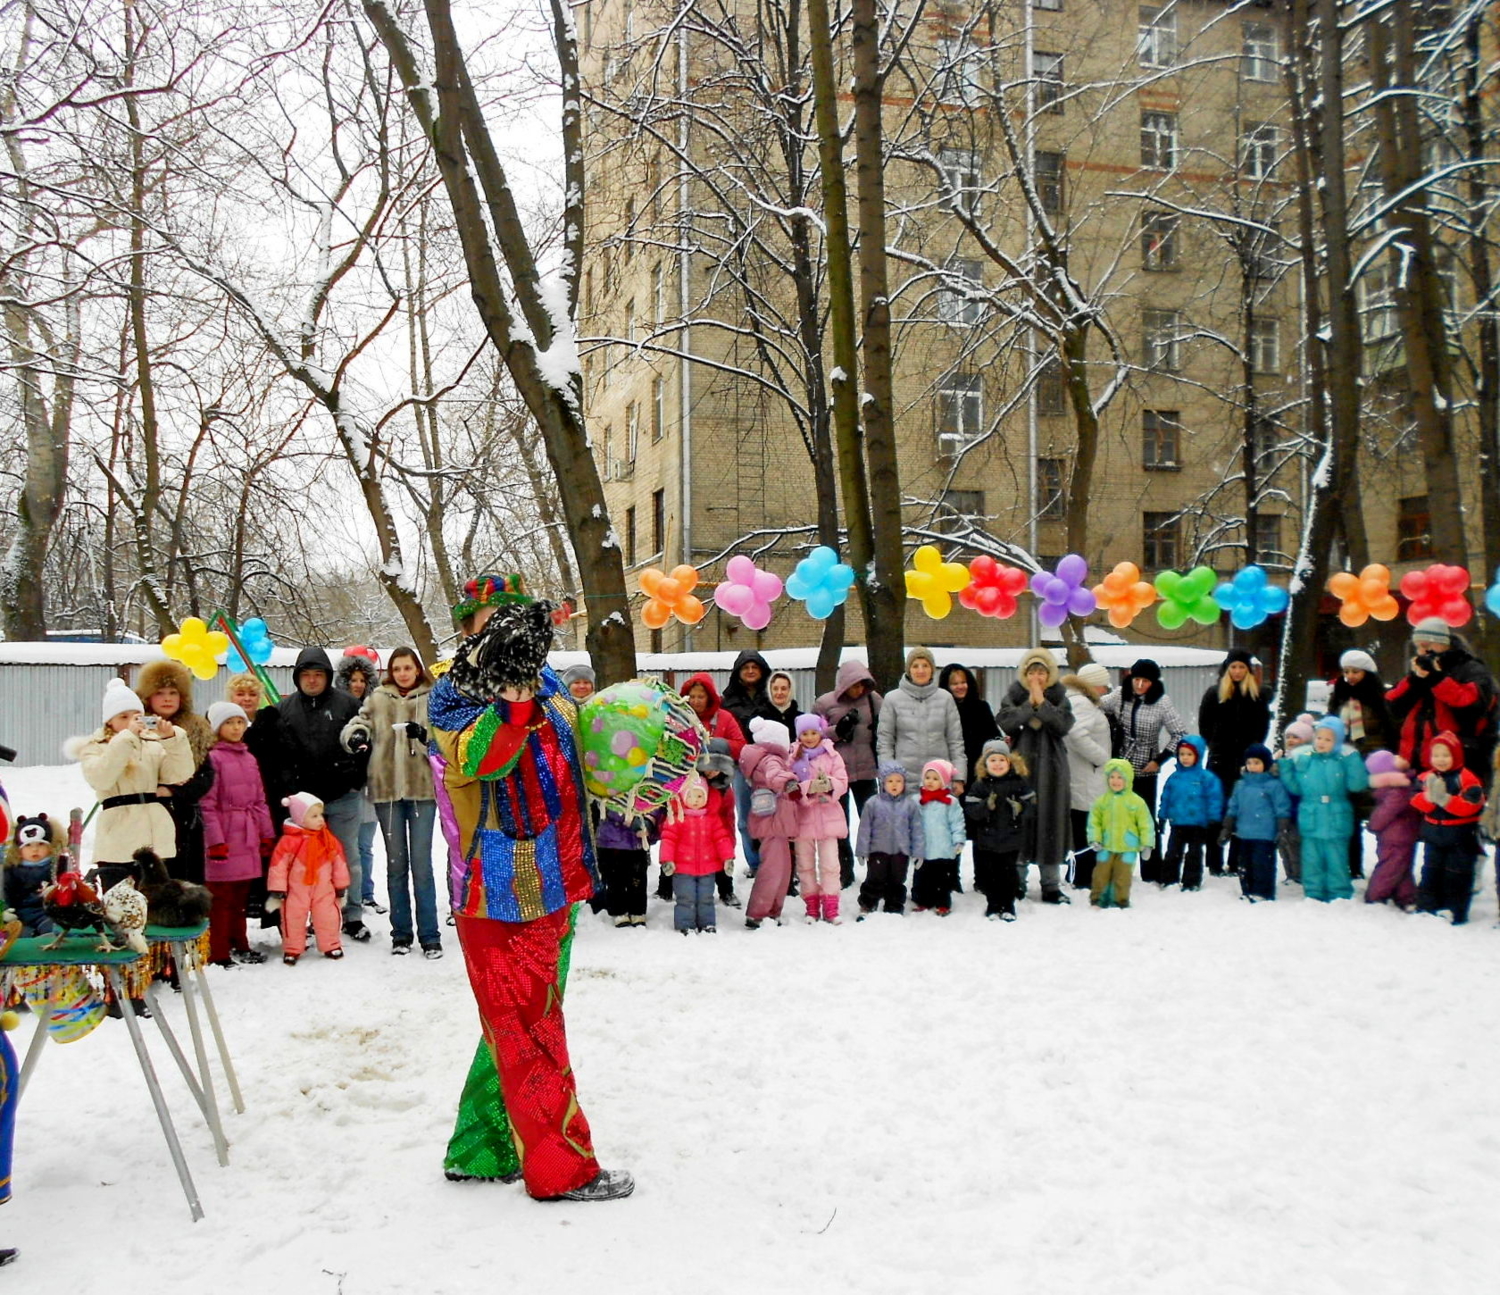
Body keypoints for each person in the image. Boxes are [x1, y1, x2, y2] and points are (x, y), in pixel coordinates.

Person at [429, 585, 630, 1202]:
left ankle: (482, 1148)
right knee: (530, 1030)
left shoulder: (548, 682)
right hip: (498, 892)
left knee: (511, 1027)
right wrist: (512, 702)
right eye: (489, 623)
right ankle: (561, 1170)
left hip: (557, 883)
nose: (504, 633)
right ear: (469, 629)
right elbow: (478, 761)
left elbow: (578, 759)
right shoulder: (453, 694)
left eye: (515, 622)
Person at [341, 647, 441, 957]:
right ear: (390, 672)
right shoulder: (378, 699)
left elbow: (445, 740)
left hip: (422, 791)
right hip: (387, 793)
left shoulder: (432, 698)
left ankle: (430, 936)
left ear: (416, 669)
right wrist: (357, 737)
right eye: (396, 669)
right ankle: (401, 935)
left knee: (422, 865)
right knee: (396, 865)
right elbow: (355, 725)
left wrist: (424, 735)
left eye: (407, 668)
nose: (402, 674)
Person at [272, 647, 372, 943]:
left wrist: (356, 778)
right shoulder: (285, 710)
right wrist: (291, 788)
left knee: (348, 856)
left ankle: (353, 915)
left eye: (318, 675)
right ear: (297, 677)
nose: (312, 681)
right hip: (304, 803)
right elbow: (280, 756)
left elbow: (367, 742)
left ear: (327, 677)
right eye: (306, 675)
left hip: (342, 796)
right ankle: (312, 915)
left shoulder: (348, 705)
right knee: (306, 863)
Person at [69, 677, 193, 892]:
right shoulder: (95, 747)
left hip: (155, 829)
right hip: (118, 829)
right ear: (109, 721)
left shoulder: (152, 743)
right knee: (120, 901)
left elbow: (179, 774)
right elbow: (101, 778)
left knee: (158, 899)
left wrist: (172, 739)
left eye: (136, 716)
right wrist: (126, 739)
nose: (131, 721)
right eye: (123, 717)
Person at [995, 647, 1075, 904]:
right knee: (1020, 819)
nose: (1037, 676)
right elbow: (1007, 722)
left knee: (1050, 823)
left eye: (1042, 671)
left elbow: (1063, 724)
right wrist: (1030, 704)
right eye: (1032, 671)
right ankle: (1016, 883)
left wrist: (1044, 704)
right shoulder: (1014, 695)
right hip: (1021, 767)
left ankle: (1051, 885)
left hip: (1052, 769)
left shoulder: (1060, 695)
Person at [199, 702, 274, 967]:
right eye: (229, 723)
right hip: (226, 835)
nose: (236, 728)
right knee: (221, 898)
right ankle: (218, 950)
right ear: (218, 727)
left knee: (241, 896)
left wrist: (266, 833)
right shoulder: (213, 758)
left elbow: (259, 799)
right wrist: (216, 840)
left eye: (240, 722)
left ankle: (240, 943)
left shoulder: (249, 757)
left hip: (247, 834)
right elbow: (207, 804)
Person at [136, 659, 216, 884]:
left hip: (183, 819)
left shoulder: (196, 728)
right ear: (148, 696)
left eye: (173, 692)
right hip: (143, 818)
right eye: (160, 692)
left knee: (184, 887)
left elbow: (206, 776)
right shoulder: (136, 728)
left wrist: (174, 792)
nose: (168, 698)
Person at [1386, 619, 1499, 773]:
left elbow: (1473, 707)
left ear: (1443, 643)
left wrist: (1437, 679)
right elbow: (1394, 705)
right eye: (1418, 647)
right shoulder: (1421, 671)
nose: (1422, 652)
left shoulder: (1470, 669)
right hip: (1415, 760)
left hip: (1459, 760)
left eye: (1426, 646)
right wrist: (1415, 679)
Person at [1277, 716, 1369, 902]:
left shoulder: (1343, 760)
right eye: (1319, 738)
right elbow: (1295, 787)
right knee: (1311, 858)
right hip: (1310, 814)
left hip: (1337, 814)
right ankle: (1313, 892)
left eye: (1328, 739)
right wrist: (1285, 766)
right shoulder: (1306, 760)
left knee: (1337, 857)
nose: (1321, 742)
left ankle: (1339, 892)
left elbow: (1357, 785)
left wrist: (1354, 762)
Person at [1197, 648, 1271, 876]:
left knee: (1241, 810)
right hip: (1219, 760)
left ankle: (1236, 860)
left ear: (1248, 670)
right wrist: (1216, 746)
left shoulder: (1257, 696)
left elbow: (1262, 727)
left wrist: (1251, 754)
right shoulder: (1214, 693)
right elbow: (1204, 725)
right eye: (1233, 667)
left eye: (1241, 667)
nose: (1237, 671)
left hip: (1245, 762)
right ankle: (1214, 861)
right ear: (1227, 669)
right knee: (1216, 811)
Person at [813, 660, 882, 890]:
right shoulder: (825, 703)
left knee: (872, 821)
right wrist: (838, 731)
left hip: (866, 771)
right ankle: (844, 870)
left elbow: (885, 728)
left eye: (863, 684)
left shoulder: (874, 700)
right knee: (840, 824)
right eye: (855, 685)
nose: (859, 690)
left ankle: (877, 867)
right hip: (836, 773)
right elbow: (813, 734)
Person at [1412, 731, 1486, 925]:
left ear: (1456, 755)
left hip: (1460, 836)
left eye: (1446, 755)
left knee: (1457, 874)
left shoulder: (1467, 779)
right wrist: (1429, 798)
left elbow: (1471, 805)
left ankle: (1454, 911)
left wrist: (1445, 800)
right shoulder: (1426, 777)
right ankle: (1426, 907)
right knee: (1430, 871)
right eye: (1436, 755)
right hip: (1433, 834)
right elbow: (1415, 800)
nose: (1440, 760)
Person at [1099, 658, 1187, 823]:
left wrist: (1159, 760)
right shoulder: (1120, 694)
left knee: (1144, 818)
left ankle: (1151, 849)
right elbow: (1097, 704)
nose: (1139, 685)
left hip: (1145, 768)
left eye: (1145, 681)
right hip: (1119, 766)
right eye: (1136, 680)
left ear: (1153, 682)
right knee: (1118, 816)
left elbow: (1180, 734)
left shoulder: (1162, 702)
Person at [268, 792, 349, 963]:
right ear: (300, 818)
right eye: (314, 816)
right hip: (296, 889)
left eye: (321, 815)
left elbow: (339, 862)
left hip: (324, 888)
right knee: (293, 917)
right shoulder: (288, 841)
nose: (320, 819)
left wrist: (340, 885)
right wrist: (278, 888)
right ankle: (292, 947)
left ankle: (331, 944)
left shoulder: (328, 839)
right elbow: (278, 866)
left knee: (327, 916)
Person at [738, 717, 801, 929]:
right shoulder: (771, 760)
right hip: (773, 822)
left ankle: (773, 911)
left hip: (775, 821)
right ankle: (758, 912)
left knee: (783, 870)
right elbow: (775, 776)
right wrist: (789, 782)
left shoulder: (765, 758)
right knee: (773, 869)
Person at [336, 652, 385, 916]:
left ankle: (366, 894)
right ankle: (345, 894)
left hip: (370, 786)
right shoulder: (336, 709)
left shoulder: (377, 709)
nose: (357, 685)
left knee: (365, 845)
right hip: (345, 787)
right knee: (347, 846)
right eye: (352, 680)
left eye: (362, 680)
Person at [962, 740, 1033, 921]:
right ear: (985, 764)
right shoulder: (980, 785)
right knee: (991, 875)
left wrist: (1020, 807)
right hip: (987, 838)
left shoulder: (1018, 783)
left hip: (1011, 838)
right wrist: (986, 806)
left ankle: (1008, 904)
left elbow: (1032, 805)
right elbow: (971, 810)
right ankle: (993, 904)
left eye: (1001, 760)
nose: (997, 764)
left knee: (1009, 873)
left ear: (1009, 761)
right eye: (992, 760)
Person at [877, 647, 966, 791]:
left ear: (932, 669)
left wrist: (959, 776)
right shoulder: (892, 699)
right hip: (903, 782)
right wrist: (889, 775)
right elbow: (885, 742)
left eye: (925, 665)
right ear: (908, 670)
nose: (920, 670)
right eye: (915, 666)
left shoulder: (945, 698)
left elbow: (955, 741)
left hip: (939, 781)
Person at [789, 714, 849, 924]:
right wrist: (808, 788)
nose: (809, 737)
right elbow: (790, 785)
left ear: (820, 732)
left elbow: (843, 780)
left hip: (828, 817)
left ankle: (831, 907)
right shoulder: (793, 756)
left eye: (813, 732)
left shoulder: (832, 755)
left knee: (831, 864)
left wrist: (830, 784)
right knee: (805, 865)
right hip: (803, 818)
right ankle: (812, 906)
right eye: (804, 733)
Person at [658, 773, 734, 934]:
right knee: (685, 897)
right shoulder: (677, 818)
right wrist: (667, 860)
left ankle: (707, 923)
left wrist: (727, 857)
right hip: (683, 869)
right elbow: (668, 839)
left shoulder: (712, 819)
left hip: (707, 867)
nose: (696, 800)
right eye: (691, 796)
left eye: (700, 795)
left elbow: (721, 838)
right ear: (683, 797)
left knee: (706, 897)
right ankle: (685, 923)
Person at [722, 650, 775, 877]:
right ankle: (754, 863)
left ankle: (773, 861)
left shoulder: (773, 695)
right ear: (738, 673)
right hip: (740, 766)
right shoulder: (727, 702)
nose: (751, 671)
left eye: (755, 667)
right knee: (745, 817)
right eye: (746, 668)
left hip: (770, 764)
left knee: (770, 814)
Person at [1062, 663, 1112, 892]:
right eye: (1104, 685)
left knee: (1082, 826)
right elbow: (1076, 734)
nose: (1106, 690)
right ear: (1093, 684)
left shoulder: (1076, 701)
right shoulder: (1082, 704)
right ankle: (1083, 876)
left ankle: (1080, 873)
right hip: (1087, 776)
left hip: (1084, 775)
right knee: (1086, 827)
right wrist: (1101, 758)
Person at [1221, 744, 1292, 902]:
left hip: (1265, 833)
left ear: (1265, 764)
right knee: (1245, 864)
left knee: (1262, 864)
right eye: (1250, 763)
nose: (1252, 766)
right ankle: (1247, 889)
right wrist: (1227, 826)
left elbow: (1282, 808)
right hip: (1244, 833)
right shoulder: (1241, 785)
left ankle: (1263, 892)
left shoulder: (1273, 785)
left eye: (1257, 763)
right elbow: (1233, 806)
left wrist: (1282, 829)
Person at [855, 762, 924, 918]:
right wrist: (862, 850)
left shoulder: (910, 805)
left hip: (901, 851)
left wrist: (918, 852)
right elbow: (864, 829)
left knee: (897, 879)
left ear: (904, 783)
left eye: (898, 781)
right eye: (890, 781)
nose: (894, 785)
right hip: (877, 850)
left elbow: (917, 831)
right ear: (883, 783)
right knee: (875, 878)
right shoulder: (873, 804)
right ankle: (868, 903)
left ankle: (894, 905)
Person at [1156, 736, 1224, 891]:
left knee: (1194, 854)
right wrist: (1162, 816)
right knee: (1173, 852)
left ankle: (1191, 881)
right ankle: (1169, 879)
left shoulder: (1206, 778)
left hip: (1198, 824)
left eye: (1189, 754)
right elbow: (1166, 798)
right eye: (1182, 754)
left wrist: (1214, 818)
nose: (1185, 758)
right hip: (1178, 822)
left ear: (1198, 755)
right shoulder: (1174, 778)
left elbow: (1214, 798)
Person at [1086, 758, 1156, 909]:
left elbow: (1146, 824)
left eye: (1119, 777)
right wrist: (1094, 839)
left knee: (1122, 876)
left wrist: (1147, 844)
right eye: (1112, 777)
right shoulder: (1102, 802)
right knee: (1100, 875)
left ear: (1128, 779)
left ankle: (1120, 900)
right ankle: (1098, 899)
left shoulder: (1137, 802)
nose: (1115, 781)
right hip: (1105, 846)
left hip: (1128, 847)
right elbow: (1094, 823)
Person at [1364, 750, 1421, 910]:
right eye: (1394, 758)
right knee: (1390, 867)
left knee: (1402, 866)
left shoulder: (1402, 784)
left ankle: (1406, 896)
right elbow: (1386, 811)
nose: (1400, 757)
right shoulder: (1398, 788)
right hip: (1397, 836)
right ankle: (1375, 896)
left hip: (1402, 834)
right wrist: (1374, 824)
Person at [593, 803, 663, 927]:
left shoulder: (643, 786)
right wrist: (630, 819)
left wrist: (649, 821)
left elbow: (655, 802)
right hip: (612, 842)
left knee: (637, 880)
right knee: (615, 880)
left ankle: (638, 911)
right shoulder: (609, 785)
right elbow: (608, 804)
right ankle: (618, 911)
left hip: (636, 843)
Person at [911, 759, 965, 915]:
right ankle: (923, 901)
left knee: (942, 879)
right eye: (927, 778)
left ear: (944, 782)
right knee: (923, 878)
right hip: (923, 849)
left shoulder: (951, 802)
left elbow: (957, 823)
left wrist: (958, 840)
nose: (930, 782)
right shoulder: (917, 801)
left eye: (935, 779)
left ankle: (943, 904)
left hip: (944, 849)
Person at [695, 737, 743, 910]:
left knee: (722, 865)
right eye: (707, 767)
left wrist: (728, 842)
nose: (710, 772)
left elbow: (729, 818)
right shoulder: (696, 786)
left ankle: (726, 891)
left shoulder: (725, 791)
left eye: (716, 768)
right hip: (696, 831)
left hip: (719, 833)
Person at [939, 664, 999, 791]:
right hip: (948, 771)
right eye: (955, 684)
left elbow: (994, 737)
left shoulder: (981, 708)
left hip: (978, 773)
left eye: (963, 682)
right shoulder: (940, 710)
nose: (960, 687)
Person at [4, 813, 66, 936]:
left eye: (41, 844)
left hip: (49, 911)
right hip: (21, 912)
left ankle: (49, 937)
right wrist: (4, 910)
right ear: (19, 849)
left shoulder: (58, 865)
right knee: (16, 931)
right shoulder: (13, 870)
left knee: (53, 926)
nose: (35, 849)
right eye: (28, 845)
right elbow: (6, 893)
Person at [1328, 650, 1396, 756]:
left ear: (1366, 673)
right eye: (1346, 672)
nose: (1350, 676)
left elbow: (1389, 726)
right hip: (1343, 753)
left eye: (1355, 672)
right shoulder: (1339, 697)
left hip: (1373, 753)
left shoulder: (1377, 697)